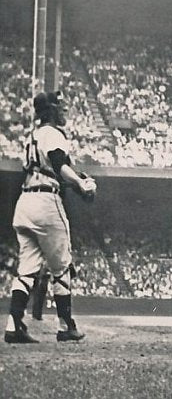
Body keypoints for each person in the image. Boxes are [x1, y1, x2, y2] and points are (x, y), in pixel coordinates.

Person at [5, 92, 97, 344]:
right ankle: (66, 326)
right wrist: (81, 183)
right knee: (62, 267)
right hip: (46, 201)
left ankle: (13, 325)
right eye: (61, 108)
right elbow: (59, 166)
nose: (65, 112)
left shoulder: (32, 136)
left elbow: (47, 168)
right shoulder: (53, 134)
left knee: (26, 269)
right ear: (52, 111)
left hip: (24, 203)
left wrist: (76, 183)